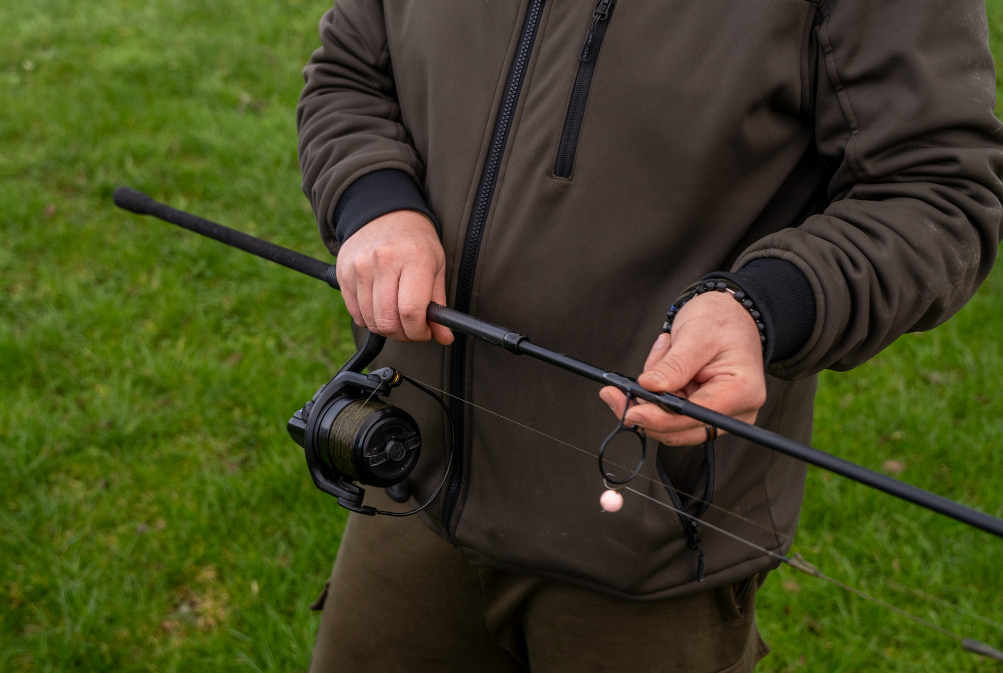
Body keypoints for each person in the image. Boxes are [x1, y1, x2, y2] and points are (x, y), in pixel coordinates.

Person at [297, 2, 1003, 671]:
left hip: (651, 535)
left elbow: (936, 191)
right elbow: (350, 73)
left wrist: (761, 306)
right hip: (407, 470)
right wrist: (376, 200)